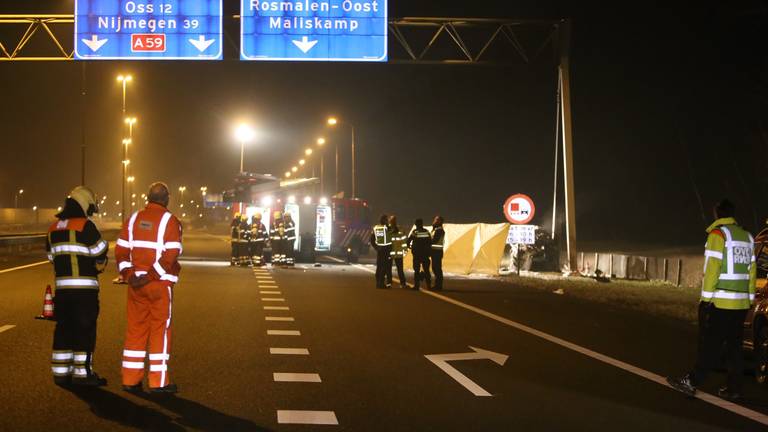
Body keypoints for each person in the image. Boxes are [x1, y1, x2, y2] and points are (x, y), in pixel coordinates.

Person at [667, 199, 756, 400]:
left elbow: (712, 271)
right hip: (741, 304)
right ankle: (735, 389)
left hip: (722, 302)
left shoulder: (718, 235)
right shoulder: (748, 237)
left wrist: (705, 299)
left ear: (717, 215)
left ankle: (692, 381)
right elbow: (751, 272)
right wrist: (749, 299)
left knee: (711, 345)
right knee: (735, 347)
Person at [116, 182, 182, 394]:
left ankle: (130, 379)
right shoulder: (170, 221)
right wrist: (151, 275)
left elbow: (121, 252)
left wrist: (129, 274)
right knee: (159, 330)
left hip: (135, 286)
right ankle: (159, 382)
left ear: (148, 197)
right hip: (159, 285)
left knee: (136, 329)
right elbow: (171, 254)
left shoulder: (133, 219)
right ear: (166, 199)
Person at [46, 186, 109, 387]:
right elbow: (100, 251)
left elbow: (50, 257)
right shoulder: (85, 226)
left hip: (62, 291)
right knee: (84, 330)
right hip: (84, 292)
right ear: (84, 204)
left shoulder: (53, 227)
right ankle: (83, 375)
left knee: (63, 329)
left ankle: (61, 373)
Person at [408, 218, 432, 290]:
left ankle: (416, 285)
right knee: (426, 270)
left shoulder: (415, 232)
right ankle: (429, 285)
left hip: (417, 254)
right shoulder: (427, 232)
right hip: (425, 254)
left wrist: (409, 247)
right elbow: (430, 241)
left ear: (416, 224)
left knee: (416, 270)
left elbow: (408, 240)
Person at [370, 214, 392, 288]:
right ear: (385, 220)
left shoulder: (376, 228)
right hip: (386, 249)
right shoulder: (387, 228)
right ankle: (381, 283)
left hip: (380, 250)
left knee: (379, 266)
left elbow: (372, 240)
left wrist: (376, 247)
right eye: (387, 220)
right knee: (384, 267)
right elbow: (394, 231)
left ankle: (378, 283)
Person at [388, 215, 408, 289]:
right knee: (393, 269)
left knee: (393, 269)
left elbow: (403, 241)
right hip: (395, 253)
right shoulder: (390, 229)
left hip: (392, 252)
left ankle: (393, 283)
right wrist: (405, 250)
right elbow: (404, 241)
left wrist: (405, 249)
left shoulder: (389, 229)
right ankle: (400, 283)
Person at [431, 216, 445, 291]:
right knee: (434, 268)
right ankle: (437, 284)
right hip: (434, 252)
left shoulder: (439, 230)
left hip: (437, 252)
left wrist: (427, 242)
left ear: (440, 221)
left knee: (437, 268)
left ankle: (439, 285)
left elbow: (434, 240)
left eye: (436, 220)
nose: (434, 221)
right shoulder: (435, 229)